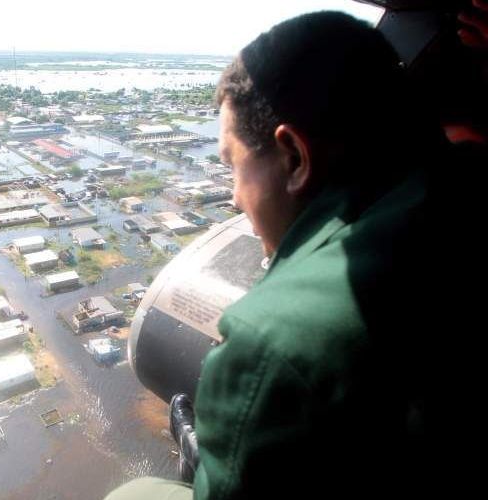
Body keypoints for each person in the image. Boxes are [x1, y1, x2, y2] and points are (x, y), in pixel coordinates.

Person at [108, 10, 454, 500]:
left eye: (233, 166)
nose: (233, 198)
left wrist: (218, 465)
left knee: (134, 494)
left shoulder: (268, 343)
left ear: (293, 158)